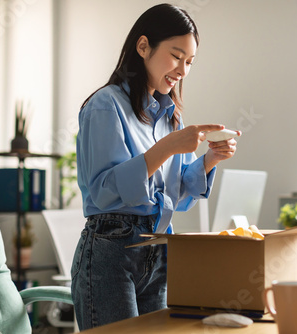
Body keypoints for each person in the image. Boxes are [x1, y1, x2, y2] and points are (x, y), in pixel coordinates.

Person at [70, 3, 240, 330]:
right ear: (143, 46)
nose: (183, 70)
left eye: (190, 62)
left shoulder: (169, 115)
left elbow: (175, 190)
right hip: (111, 253)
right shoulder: (105, 105)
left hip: (158, 250)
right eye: (177, 56)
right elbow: (104, 192)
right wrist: (167, 148)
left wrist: (210, 159)